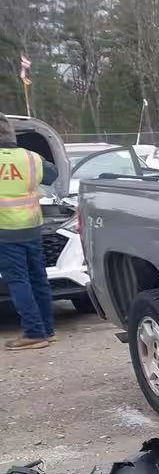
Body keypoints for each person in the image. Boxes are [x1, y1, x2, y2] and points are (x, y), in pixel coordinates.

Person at [0, 114, 59, 350]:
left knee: (18, 281)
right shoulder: (31, 158)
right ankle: (48, 330)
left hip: (5, 230)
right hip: (33, 228)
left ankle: (34, 333)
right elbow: (53, 175)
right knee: (38, 279)